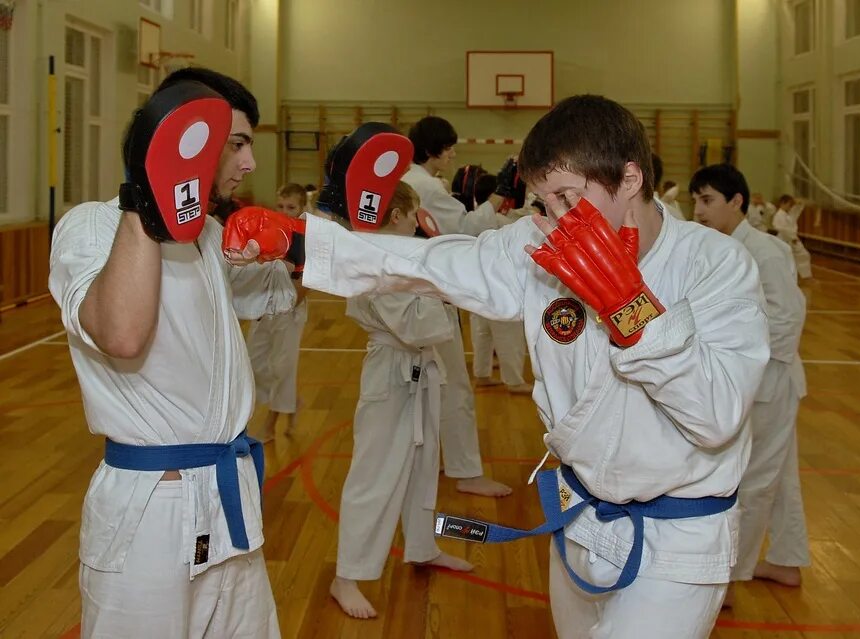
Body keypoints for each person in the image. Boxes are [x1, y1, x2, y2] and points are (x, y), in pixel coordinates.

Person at [224, 95, 770, 638]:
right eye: (544, 200)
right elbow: (429, 263)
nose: (556, 215)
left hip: (678, 540)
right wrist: (304, 243)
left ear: (629, 179)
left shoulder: (715, 266)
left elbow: (718, 415)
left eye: (568, 196)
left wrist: (635, 313)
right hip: (579, 516)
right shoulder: (543, 248)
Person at [49, 67, 290, 637]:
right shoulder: (94, 225)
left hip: (229, 499)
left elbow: (281, 290)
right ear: (185, 143)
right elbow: (122, 334)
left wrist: (297, 236)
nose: (249, 163)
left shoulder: (208, 234)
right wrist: (147, 189)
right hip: (152, 512)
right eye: (236, 144)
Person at [330, 180, 474, 619]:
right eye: (413, 214)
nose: (417, 221)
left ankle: (421, 546)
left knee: (422, 463)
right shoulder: (380, 262)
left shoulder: (401, 258)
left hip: (418, 369)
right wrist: (440, 282)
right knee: (375, 473)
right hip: (392, 372)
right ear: (397, 215)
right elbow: (423, 328)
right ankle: (346, 576)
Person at [690, 164, 810, 608]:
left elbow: (787, 319)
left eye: (708, 201)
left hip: (766, 379)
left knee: (754, 478)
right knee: (779, 476)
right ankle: (785, 559)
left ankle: (727, 578)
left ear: (737, 200)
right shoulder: (717, 248)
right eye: (696, 201)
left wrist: (738, 366)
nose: (699, 210)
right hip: (744, 377)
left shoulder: (765, 251)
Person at [403, 116, 514, 498]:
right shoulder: (426, 185)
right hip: (429, 294)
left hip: (409, 293)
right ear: (433, 148)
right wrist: (499, 193)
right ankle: (465, 470)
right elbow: (466, 229)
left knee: (424, 384)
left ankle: (427, 460)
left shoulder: (408, 179)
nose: (453, 153)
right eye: (448, 146)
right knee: (455, 387)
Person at [246, 182, 310, 442]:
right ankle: (292, 401)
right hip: (264, 305)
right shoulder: (270, 230)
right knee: (253, 362)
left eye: (291, 207)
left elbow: (305, 282)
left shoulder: (306, 237)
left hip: (290, 308)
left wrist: (287, 306)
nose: (285, 211)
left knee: (282, 367)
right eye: (281, 206)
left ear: (303, 208)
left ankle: (271, 425)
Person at [468, 172, 533, 394]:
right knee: (509, 335)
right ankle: (514, 381)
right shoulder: (500, 221)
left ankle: (482, 373)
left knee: (482, 333)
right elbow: (521, 223)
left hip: (476, 286)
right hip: (500, 288)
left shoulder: (473, 218)